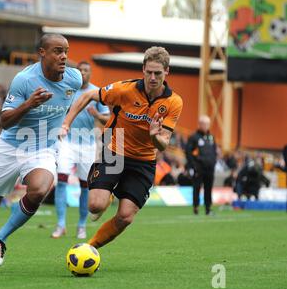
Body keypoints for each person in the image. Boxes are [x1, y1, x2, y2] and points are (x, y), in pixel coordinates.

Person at [0, 33, 82, 271]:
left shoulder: (74, 79)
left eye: (66, 51)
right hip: (9, 147)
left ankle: (0, 238)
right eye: (57, 51)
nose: (63, 56)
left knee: (40, 189)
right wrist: (29, 104)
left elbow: (82, 100)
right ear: (42, 52)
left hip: (43, 149)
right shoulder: (24, 80)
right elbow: (5, 121)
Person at [60, 46, 183, 250]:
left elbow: (163, 143)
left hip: (144, 161)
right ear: (143, 69)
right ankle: (106, 195)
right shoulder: (124, 90)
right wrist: (66, 123)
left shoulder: (174, 102)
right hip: (114, 150)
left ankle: (88, 249)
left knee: (125, 217)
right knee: (95, 205)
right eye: (149, 72)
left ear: (167, 72)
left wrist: (154, 136)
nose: (152, 77)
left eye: (158, 73)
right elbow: (88, 96)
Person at [52, 61, 110, 239]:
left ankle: (81, 225)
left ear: (90, 73)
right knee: (61, 181)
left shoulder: (96, 92)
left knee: (85, 186)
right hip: (67, 143)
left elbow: (107, 118)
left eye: (86, 70)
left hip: (88, 144)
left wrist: (97, 115)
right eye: (80, 70)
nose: (83, 73)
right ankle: (61, 224)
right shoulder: (67, 90)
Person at [185, 115, 217, 216]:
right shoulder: (194, 137)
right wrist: (192, 166)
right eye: (204, 124)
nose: (206, 126)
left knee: (208, 188)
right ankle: (196, 207)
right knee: (197, 188)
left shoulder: (211, 137)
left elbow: (214, 151)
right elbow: (188, 152)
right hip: (198, 167)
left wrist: (213, 161)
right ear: (199, 124)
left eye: (207, 124)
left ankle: (208, 208)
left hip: (210, 168)